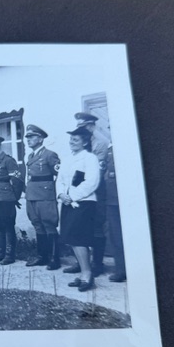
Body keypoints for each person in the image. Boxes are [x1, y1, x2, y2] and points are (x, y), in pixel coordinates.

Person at [64, 112, 110, 275]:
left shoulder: (100, 144)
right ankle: (81, 262)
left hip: (96, 190)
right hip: (79, 191)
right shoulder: (80, 145)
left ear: (91, 126)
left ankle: (97, 263)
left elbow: (97, 172)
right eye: (78, 127)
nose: (80, 129)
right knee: (78, 228)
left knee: (96, 226)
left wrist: (77, 187)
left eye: (83, 126)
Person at [56, 126, 101, 291]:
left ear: (85, 142)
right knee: (71, 238)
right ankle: (83, 273)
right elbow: (60, 180)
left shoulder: (90, 158)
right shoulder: (67, 159)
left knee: (79, 239)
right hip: (68, 202)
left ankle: (87, 274)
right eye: (71, 139)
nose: (72, 142)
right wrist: (61, 194)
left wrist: (72, 196)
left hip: (84, 203)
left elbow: (92, 182)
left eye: (75, 140)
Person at [24, 124, 62, 269]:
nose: (28, 139)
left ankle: (54, 258)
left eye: (32, 137)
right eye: (27, 137)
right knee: (37, 225)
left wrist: (55, 191)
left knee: (48, 224)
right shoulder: (30, 156)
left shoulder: (49, 155)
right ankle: (42, 256)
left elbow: (59, 174)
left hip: (45, 195)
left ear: (40, 139)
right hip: (32, 194)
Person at [0, 133, 24, 265]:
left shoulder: (8, 160)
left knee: (8, 225)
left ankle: (10, 255)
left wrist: (14, 197)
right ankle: (0, 252)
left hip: (5, 197)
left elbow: (18, 180)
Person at [104, 142, 127, 282]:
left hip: (128, 198)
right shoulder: (110, 149)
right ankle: (121, 269)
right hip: (112, 198)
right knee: (115, 236)